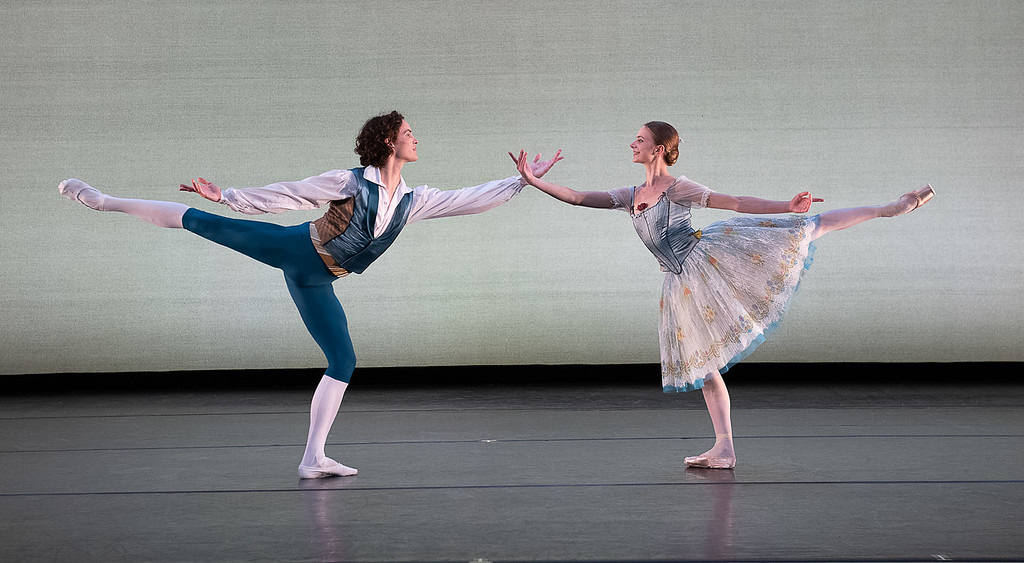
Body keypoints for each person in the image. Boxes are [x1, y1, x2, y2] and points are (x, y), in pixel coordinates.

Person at [59, 111, 561, 479]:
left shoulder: (414, 199)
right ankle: (103, 201)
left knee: (343, 359)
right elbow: (291, 193)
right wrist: (227, 196)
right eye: (409, 133)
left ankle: (312, 457)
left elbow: (466, 200)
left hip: (320, 279)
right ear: (388, 141)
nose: (416, 139)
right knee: (206, 222)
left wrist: (523, 182)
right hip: (297, 250)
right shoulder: (348, 180)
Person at [511, 121, 933, 469]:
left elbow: (735, 201)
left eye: (640, 139)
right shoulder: (630, 196)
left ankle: (890, 208)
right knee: (706, 365)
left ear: (658, 149)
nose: (632, 143)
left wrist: (786, 206)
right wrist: (532, 180)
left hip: (708, 260)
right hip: (680, 282)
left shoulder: (678, 188)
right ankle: (725, 447)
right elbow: (579, 197)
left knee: (809, 227)